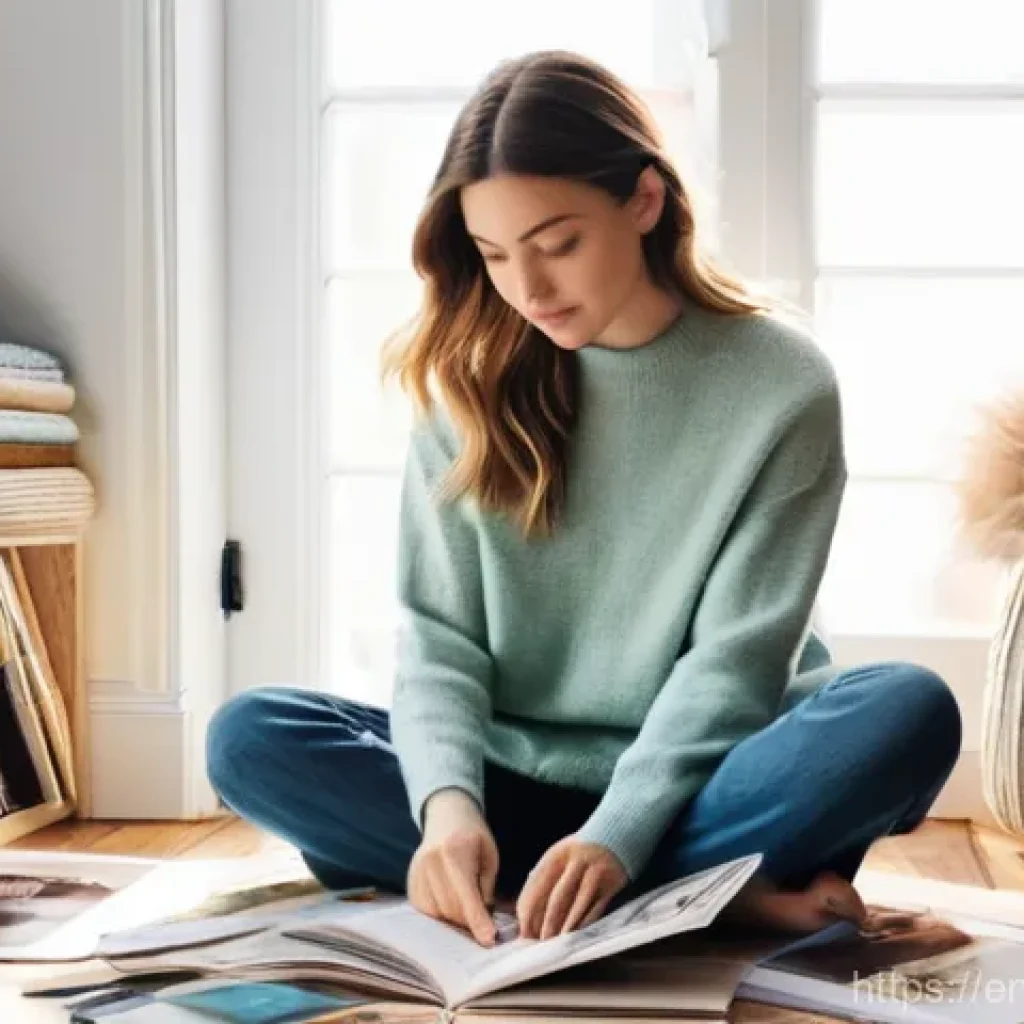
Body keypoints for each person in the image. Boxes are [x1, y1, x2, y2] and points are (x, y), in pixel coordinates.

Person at [206, 50, 962, 949]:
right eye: (494, 255)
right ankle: (702, 895)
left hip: (705, 770)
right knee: (249, 737)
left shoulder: (781, 385)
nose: (528, 290)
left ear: (644, 201)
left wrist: (619, 833)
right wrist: (448, 814)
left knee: (907, 710)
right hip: (511, 769)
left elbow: (738, 658)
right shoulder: (466, 382)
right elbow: (441, 640)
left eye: (557, 243)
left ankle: (594, 882)